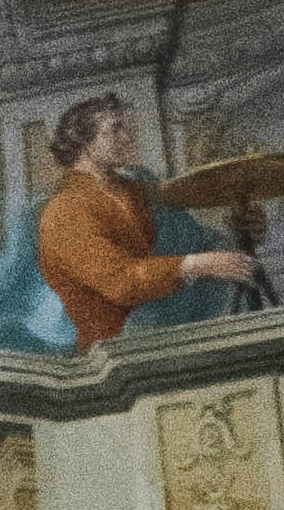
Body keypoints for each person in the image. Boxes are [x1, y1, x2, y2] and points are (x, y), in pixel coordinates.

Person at [20, 98, 255, 351]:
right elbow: (119, 282)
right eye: (115, 129)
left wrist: (239, 234)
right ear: (84, 143)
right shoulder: (65, 211)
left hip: (169, 325)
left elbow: (194, 240)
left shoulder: (138, 191)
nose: (127, 137)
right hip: (116, 350)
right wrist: (196, 264)